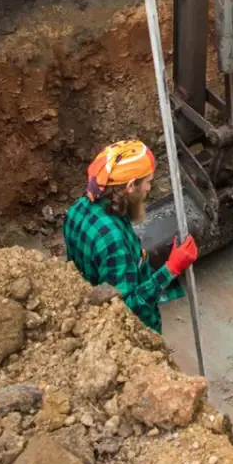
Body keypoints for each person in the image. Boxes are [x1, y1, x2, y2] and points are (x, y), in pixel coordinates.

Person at [63, 139, 198, 334]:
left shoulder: (77, 209)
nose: (149, 189)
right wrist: (171, 268)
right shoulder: (115, 243)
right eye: (148, 182)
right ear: (130, 186)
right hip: (132, 331)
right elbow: (126, 309)